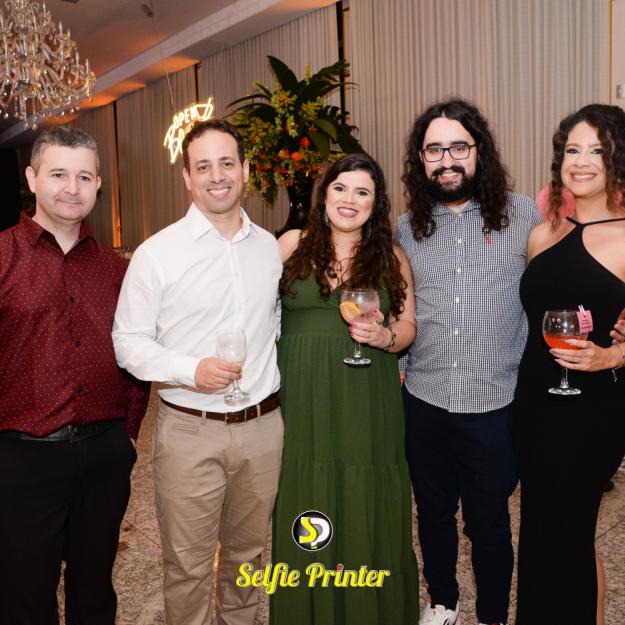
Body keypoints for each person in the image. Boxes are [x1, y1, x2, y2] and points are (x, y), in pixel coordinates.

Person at [112, 119, 283, 625]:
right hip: (190, 430)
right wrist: (190, 369)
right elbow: (127, 343)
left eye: (227, 163)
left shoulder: (269, 249)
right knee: (187, 565)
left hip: (263, 428)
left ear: (245, 170)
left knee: (249, 559)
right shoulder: (156, 254)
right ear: (187, 177)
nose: (217, 176)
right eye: (203, 166)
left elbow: (277, 323)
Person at [398, 98, 542, 625]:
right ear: (421, 159)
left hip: (495, 403)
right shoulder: (406, 227)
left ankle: (493, 615)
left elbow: (557, 284)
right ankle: (443, 602)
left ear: (479, 150)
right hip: (425, 399)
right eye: (434, 150)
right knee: (432, 514)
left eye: (458, 147)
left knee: (489, 523)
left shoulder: (523, 215)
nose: (447, 160)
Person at [0, 126, 150, 625]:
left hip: (104, 455)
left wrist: (128, 434)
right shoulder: (2, 257)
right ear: (32, 178)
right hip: (22, 456)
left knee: (95, 590)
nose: (72, 188)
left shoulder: (117, 270)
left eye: (84, 177)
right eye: (59, 174)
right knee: (24, 595)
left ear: (98, 185)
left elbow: (135, 355)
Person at [270, 153, 419, 625]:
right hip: (302, 395)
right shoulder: (290, 245)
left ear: (376, 204)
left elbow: (408, 325)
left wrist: (386, 337)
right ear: (324, 194)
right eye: (340, 188)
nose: (349, 200)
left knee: (365, 495)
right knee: (305, 496)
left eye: (362, 192)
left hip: (367, 396)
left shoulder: (391, 256)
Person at [513, 106, 625, 625]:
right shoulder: (544, 233)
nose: (581, 162)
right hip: (536, 404)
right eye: (572, 150)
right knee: (544, 533)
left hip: (592, 411)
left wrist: (614, 355)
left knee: (570, 532)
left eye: (597, 150)